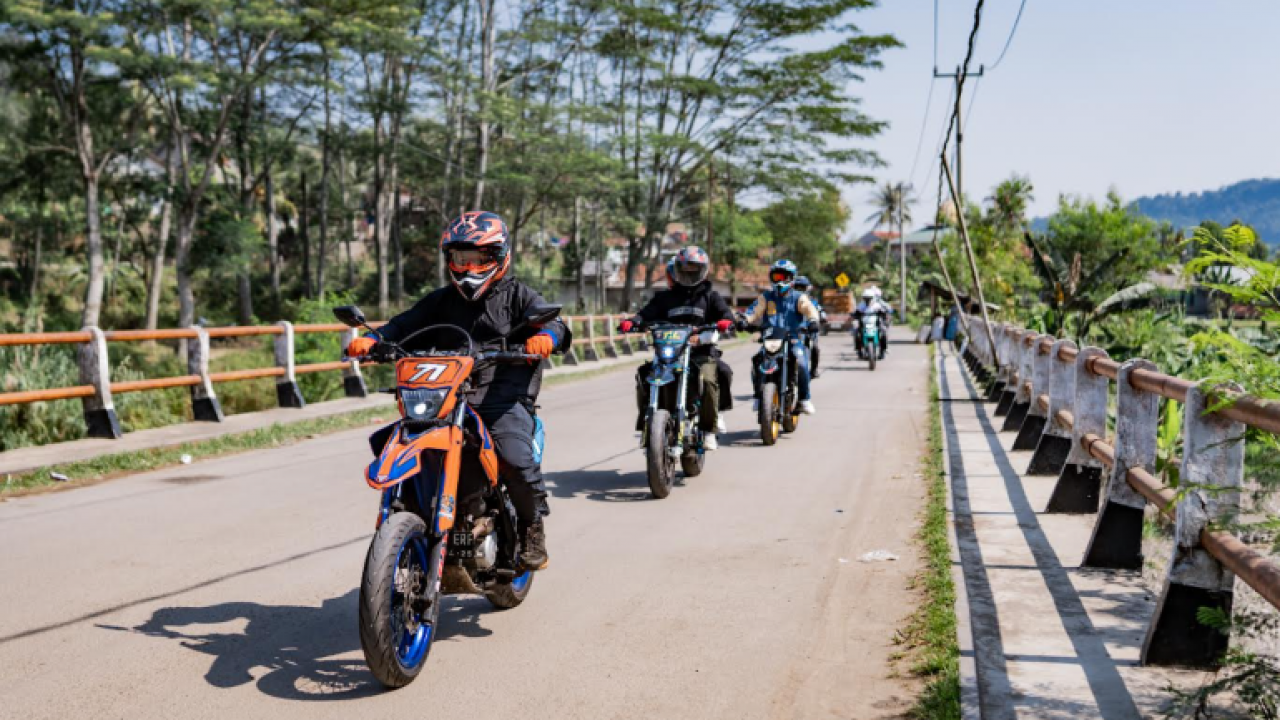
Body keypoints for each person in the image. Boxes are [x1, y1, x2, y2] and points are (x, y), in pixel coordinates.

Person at [345, 211, 570, 571]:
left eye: (478, 258)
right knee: (390, 441)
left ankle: (531, 529)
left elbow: (555, 324)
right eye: (460, 258)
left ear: (500, 257)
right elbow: (404, 325)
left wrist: (547, 337)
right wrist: (374, 339)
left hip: (500, 400)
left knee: (514, 457)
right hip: (443, 399)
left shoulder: (518, 296)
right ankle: (410, 518)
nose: (467, 267)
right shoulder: (440, 301)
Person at [620, 246, 736, 450]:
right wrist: (633, 321)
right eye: (685, 268)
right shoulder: (664, 297)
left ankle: (710, 428)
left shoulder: (711, 296)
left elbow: (726, 315)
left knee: (709, 378)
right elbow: (646, 314)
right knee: (644, 375)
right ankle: (647, 426)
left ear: (703, 270)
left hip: (700, 353)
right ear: (677, 270)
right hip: (669, 354)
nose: (690, 273)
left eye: (694, 269)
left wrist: (726, 321)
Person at [741, 259, 820, 414]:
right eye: (777, 277)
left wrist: (813, 321)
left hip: (793, 338)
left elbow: (810, 309)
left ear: (792, 278)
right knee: (757, 361)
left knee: (802, 362)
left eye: (784, 277)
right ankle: (758, 396)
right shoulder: (766, 297)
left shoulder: (799, 297)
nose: (780, 280)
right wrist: (744, 320)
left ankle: (804, 399)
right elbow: (754, 310)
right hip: (771, 337)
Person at [793, 275, 822, 378]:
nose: (800, 290)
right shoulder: (789, 301)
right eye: (797, 287)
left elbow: (819, 311)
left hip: (809, 330)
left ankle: (814, 370)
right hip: (792, 331)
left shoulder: (812, 301)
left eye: (802, 288)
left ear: (807, 288)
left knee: (815, 347)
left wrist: (821, 318)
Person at [854, 286, 892, 359]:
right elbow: (856, 312)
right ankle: (859, 351)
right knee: (857, 333)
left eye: (869, 298)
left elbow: (883, 312)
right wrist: (855, 315)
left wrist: (884, 315)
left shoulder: (877, 305)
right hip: (864, 323)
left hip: (875, 323)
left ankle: (883, 350)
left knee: (884, 332)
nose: (867, 300)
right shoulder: (861, 305)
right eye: (866, 298)